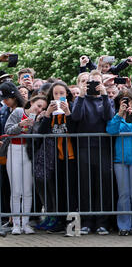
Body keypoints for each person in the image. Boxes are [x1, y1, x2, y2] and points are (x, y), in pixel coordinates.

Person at [71, 70, 115, 235]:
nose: (94, 86)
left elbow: (109, 117)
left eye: (98, 82)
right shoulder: (80, 100)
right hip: (84, 148)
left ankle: (102, 222)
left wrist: (104, 95)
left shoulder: (106, 100)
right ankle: (87, 222)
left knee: (102, 185)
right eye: (92, 83)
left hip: (103, 148)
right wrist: (82, 95)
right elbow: (75, 116)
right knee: (86, 186)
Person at [35, 82, 77, 233]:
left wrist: (68, 113)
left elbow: (75, 130)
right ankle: (59, 222)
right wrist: (46, 115)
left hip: (71, 157)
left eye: (62, 93)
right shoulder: (49, 111)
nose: (59, 96)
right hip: (56, 157)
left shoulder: (72, 107)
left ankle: (72, 225)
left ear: (67, 94)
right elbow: (41, 133)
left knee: (71, 191)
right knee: (59, 191)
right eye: (56, 94)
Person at [5, 94, 48, 235]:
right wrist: (20, 125)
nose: (39, 109)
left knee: (28, 191)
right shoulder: (18, 112)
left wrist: (39, 121)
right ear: (31, 103)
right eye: (38, 105)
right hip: (14, 150)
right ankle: (16, 224)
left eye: (43, 108)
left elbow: (38, 137)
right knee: (16, 191)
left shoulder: (39, 119)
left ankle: (25, 223)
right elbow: (8, 130)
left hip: (29, 153)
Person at [106, 90, 132, 236]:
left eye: (128, 100)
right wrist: (119, 115)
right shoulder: (115, 114)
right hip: (120, 160)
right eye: (123, 100)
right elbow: (110, 130)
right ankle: (124, 225)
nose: (126, 103)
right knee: (123, 194)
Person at [0, 82, 26, 234]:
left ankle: (17, 217)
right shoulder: (5, 110)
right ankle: (9, 217)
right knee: (7, 185)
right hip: (5, 151)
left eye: (7, 98)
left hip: (17, 150)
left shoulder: (19, 110)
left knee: (18, 187)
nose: (5, 101)